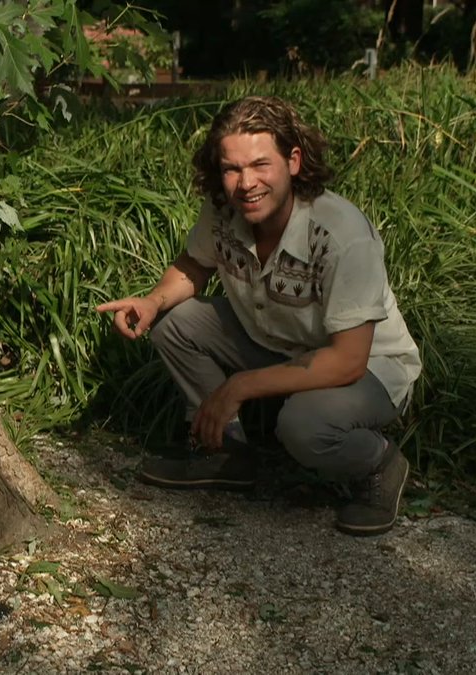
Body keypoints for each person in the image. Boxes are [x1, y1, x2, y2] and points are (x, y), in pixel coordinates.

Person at [96, 96, 421, 536]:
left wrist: (240, 386)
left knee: (304, 425)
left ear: (293, 161)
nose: (245, 183)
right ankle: (225, 451)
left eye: (260, 165)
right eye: (231, 169)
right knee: (174, 322)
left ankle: (379, 465)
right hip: (278, 341)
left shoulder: (340, 234)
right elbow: (196, 264)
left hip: (367, 368)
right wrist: (153, 301)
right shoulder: (226, 208)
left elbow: (348, 361)